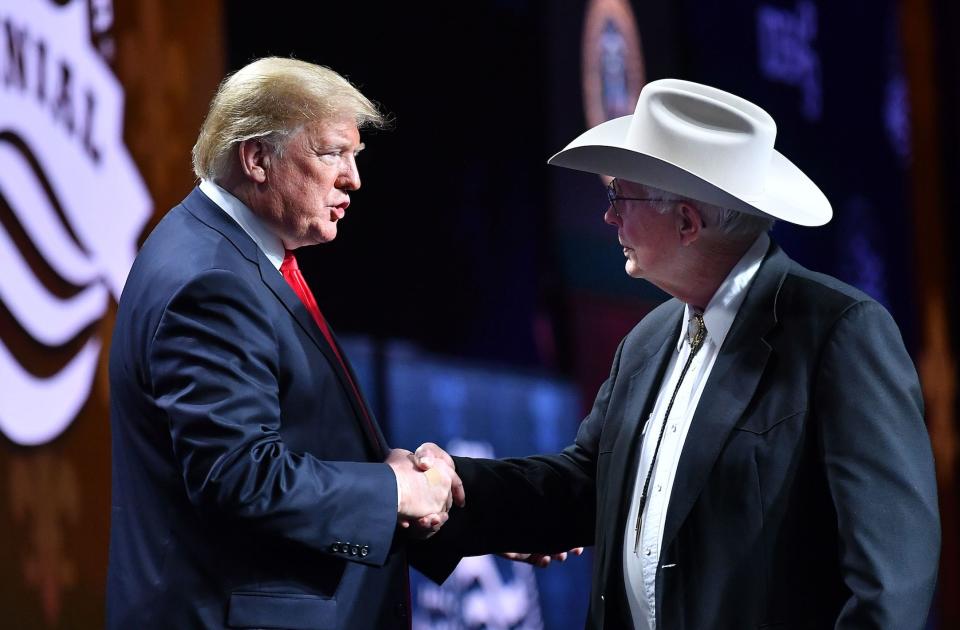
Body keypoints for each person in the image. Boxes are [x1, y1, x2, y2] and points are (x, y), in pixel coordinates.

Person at [419, 79, 941, 629]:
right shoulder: (646, 341)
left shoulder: (837, 333)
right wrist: (452, 491)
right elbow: (588, 487)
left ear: (687, 222)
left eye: (620, 195)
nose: (608, 217)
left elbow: (890, 583)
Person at [106, 57, 462, 629]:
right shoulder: (210, 280)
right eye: (331, 154)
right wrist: (389, 490)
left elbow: (284, 445)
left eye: (355, 156)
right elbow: (239, 476)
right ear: (256, 159)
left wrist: (399, 484)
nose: (353, 178)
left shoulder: (230, 254)